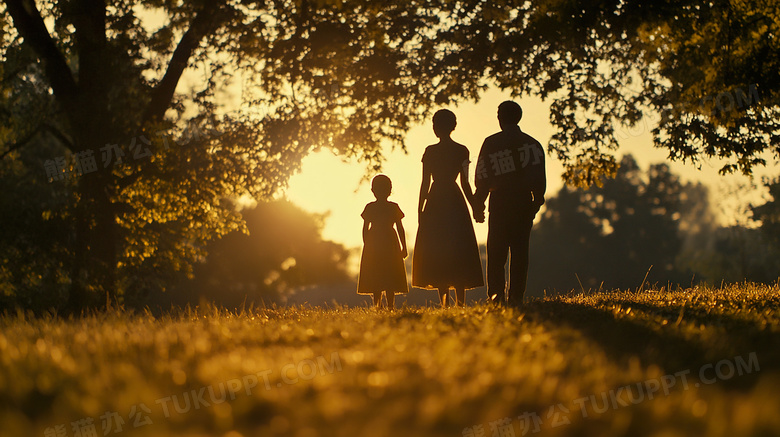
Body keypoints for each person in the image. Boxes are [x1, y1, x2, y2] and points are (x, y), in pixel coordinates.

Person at [473, 101, 546, 307]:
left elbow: (482, 178)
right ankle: (516, 297)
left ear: (500, 118)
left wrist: (479, 203)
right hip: (522, 203)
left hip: (500, 202)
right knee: (520, 252)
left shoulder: (491, 143)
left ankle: (495, 297)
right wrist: (534, 206)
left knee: (496, 253)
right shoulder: (532, 145)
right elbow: (539, 184)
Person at [412, 109, 484, 307]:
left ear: (436, 127)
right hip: (454, 200)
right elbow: (466, 184)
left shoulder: (431, 151)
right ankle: (460, 302)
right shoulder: (461, 150)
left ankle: (444, 302)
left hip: (435, 201)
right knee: (458, 246)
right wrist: (475, 206)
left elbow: (424, 183)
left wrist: (420, 211)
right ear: (453, 126)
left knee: (438, 247)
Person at [357, 174, 409, 309]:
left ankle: (378, 305)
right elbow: (400, 228)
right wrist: (404, 247)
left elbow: (365, 229)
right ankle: (389, 305)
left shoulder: (371, 207)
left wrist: (367, 244)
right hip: (389, 241)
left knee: (378, 273)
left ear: (373, 190)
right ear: (390, 190)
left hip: (375, 241)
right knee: (388, 272)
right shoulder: (392, 207)